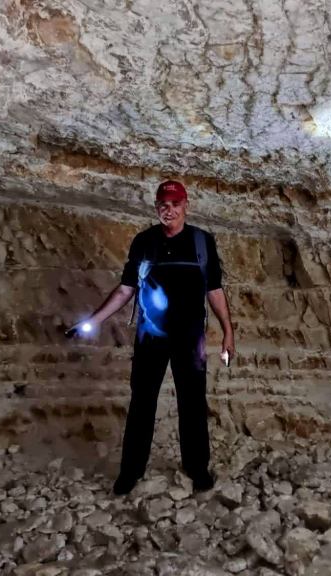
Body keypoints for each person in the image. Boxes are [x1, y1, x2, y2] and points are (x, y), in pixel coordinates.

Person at [66, 180, 235, 495]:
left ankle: (197, 469)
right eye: (162, 203)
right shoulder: (143, 241)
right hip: (150, 339)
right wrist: (92, 321)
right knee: (142, 403)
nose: (167, 209)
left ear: (186, 205)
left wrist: (228, 331)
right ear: (156, 206)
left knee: (193, 404)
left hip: (190, 339)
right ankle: (131, 472)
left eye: (174, 203)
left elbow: (214, 290)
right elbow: (126, 289)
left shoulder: (202, 242)